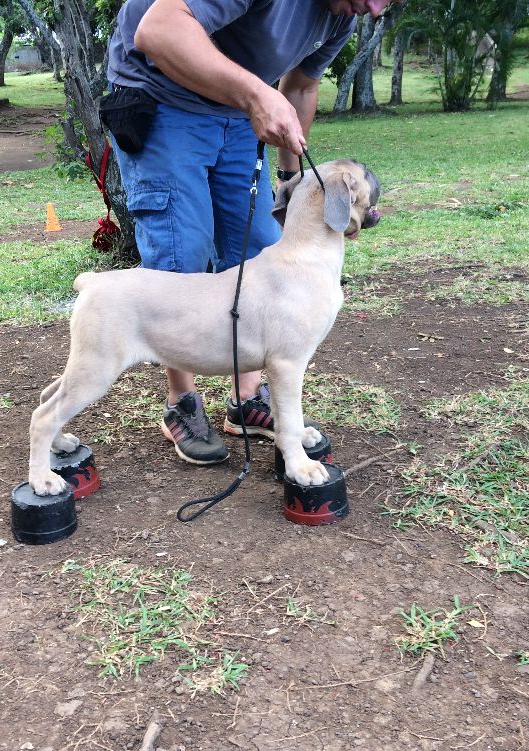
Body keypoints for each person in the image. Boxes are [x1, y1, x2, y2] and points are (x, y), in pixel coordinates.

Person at [106, 0, 395, 465]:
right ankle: (182, 402)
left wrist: (290, 181)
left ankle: (246, 400)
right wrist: (257, 96)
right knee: (183, 250)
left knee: (262, 244)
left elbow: (299, 85)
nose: (377, 9)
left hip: (240, 110)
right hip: (165, 97)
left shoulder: (344, 12)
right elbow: (157, 30)